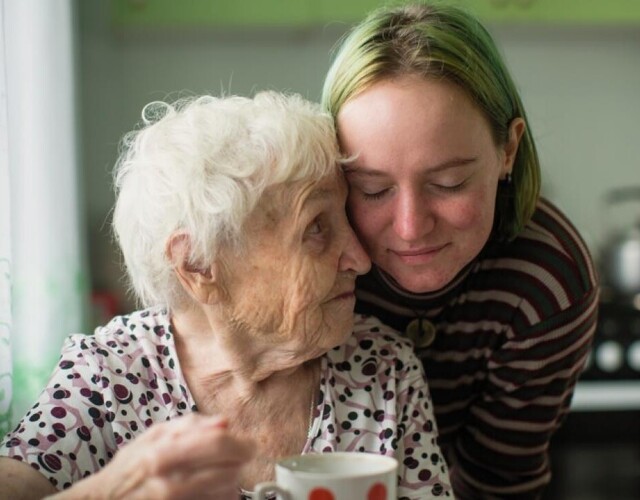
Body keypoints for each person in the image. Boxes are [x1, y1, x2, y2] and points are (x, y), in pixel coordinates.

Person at [0, 91, 452, 499]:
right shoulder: (110, 373)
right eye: (316, 228)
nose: (359, 258)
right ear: (198, 266)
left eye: (345, 218)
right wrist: (109, 492)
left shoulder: (381, 371)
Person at [322, 2, 599, 499]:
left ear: (507, 151)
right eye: (371, 188)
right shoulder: (305, 262)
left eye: (448, 182)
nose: (410, 228)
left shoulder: (546, 281)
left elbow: (497, 483)